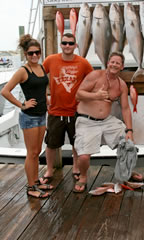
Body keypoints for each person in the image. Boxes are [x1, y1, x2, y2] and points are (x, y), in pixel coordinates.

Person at [73, 52, 143, 192]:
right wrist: (96, 96)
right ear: (107, 63)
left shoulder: (121, 85)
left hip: (106, 121)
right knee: (84, 156)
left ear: (122, 66)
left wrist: (129, 130)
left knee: (128, 144)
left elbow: (125, 108)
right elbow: (78, 94)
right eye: (112, 62)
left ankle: (126, 173)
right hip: (87, 121)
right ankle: (83, 176)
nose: (114, 65)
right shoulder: (95, 75)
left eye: (118, 63)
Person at [1, 34, 52, 198]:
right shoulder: (23, 71)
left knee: (37, 151)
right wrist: (22, 104)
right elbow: (5, 91)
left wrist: (47, 101)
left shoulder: (41, 67)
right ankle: (30, 188)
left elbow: (43, 88)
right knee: (31, 153)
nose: (35, 55)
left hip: (41, 115)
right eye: (31, 53)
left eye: (37, 52)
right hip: (29, 117)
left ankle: (36, 181)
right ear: (25, 54)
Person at [40, 33, 93, 184]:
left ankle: (76, 168)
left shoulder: (83, 63)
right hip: (55, 111)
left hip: (76, 111)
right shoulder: (51, 60)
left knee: (77, 143)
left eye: (71, 43)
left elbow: (93, 80)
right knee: (51, 144)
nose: (67, 46)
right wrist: (45, 97)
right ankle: (49, 170)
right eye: (64, 43)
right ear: (61, 45)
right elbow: (39, 77)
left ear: (76, 45)